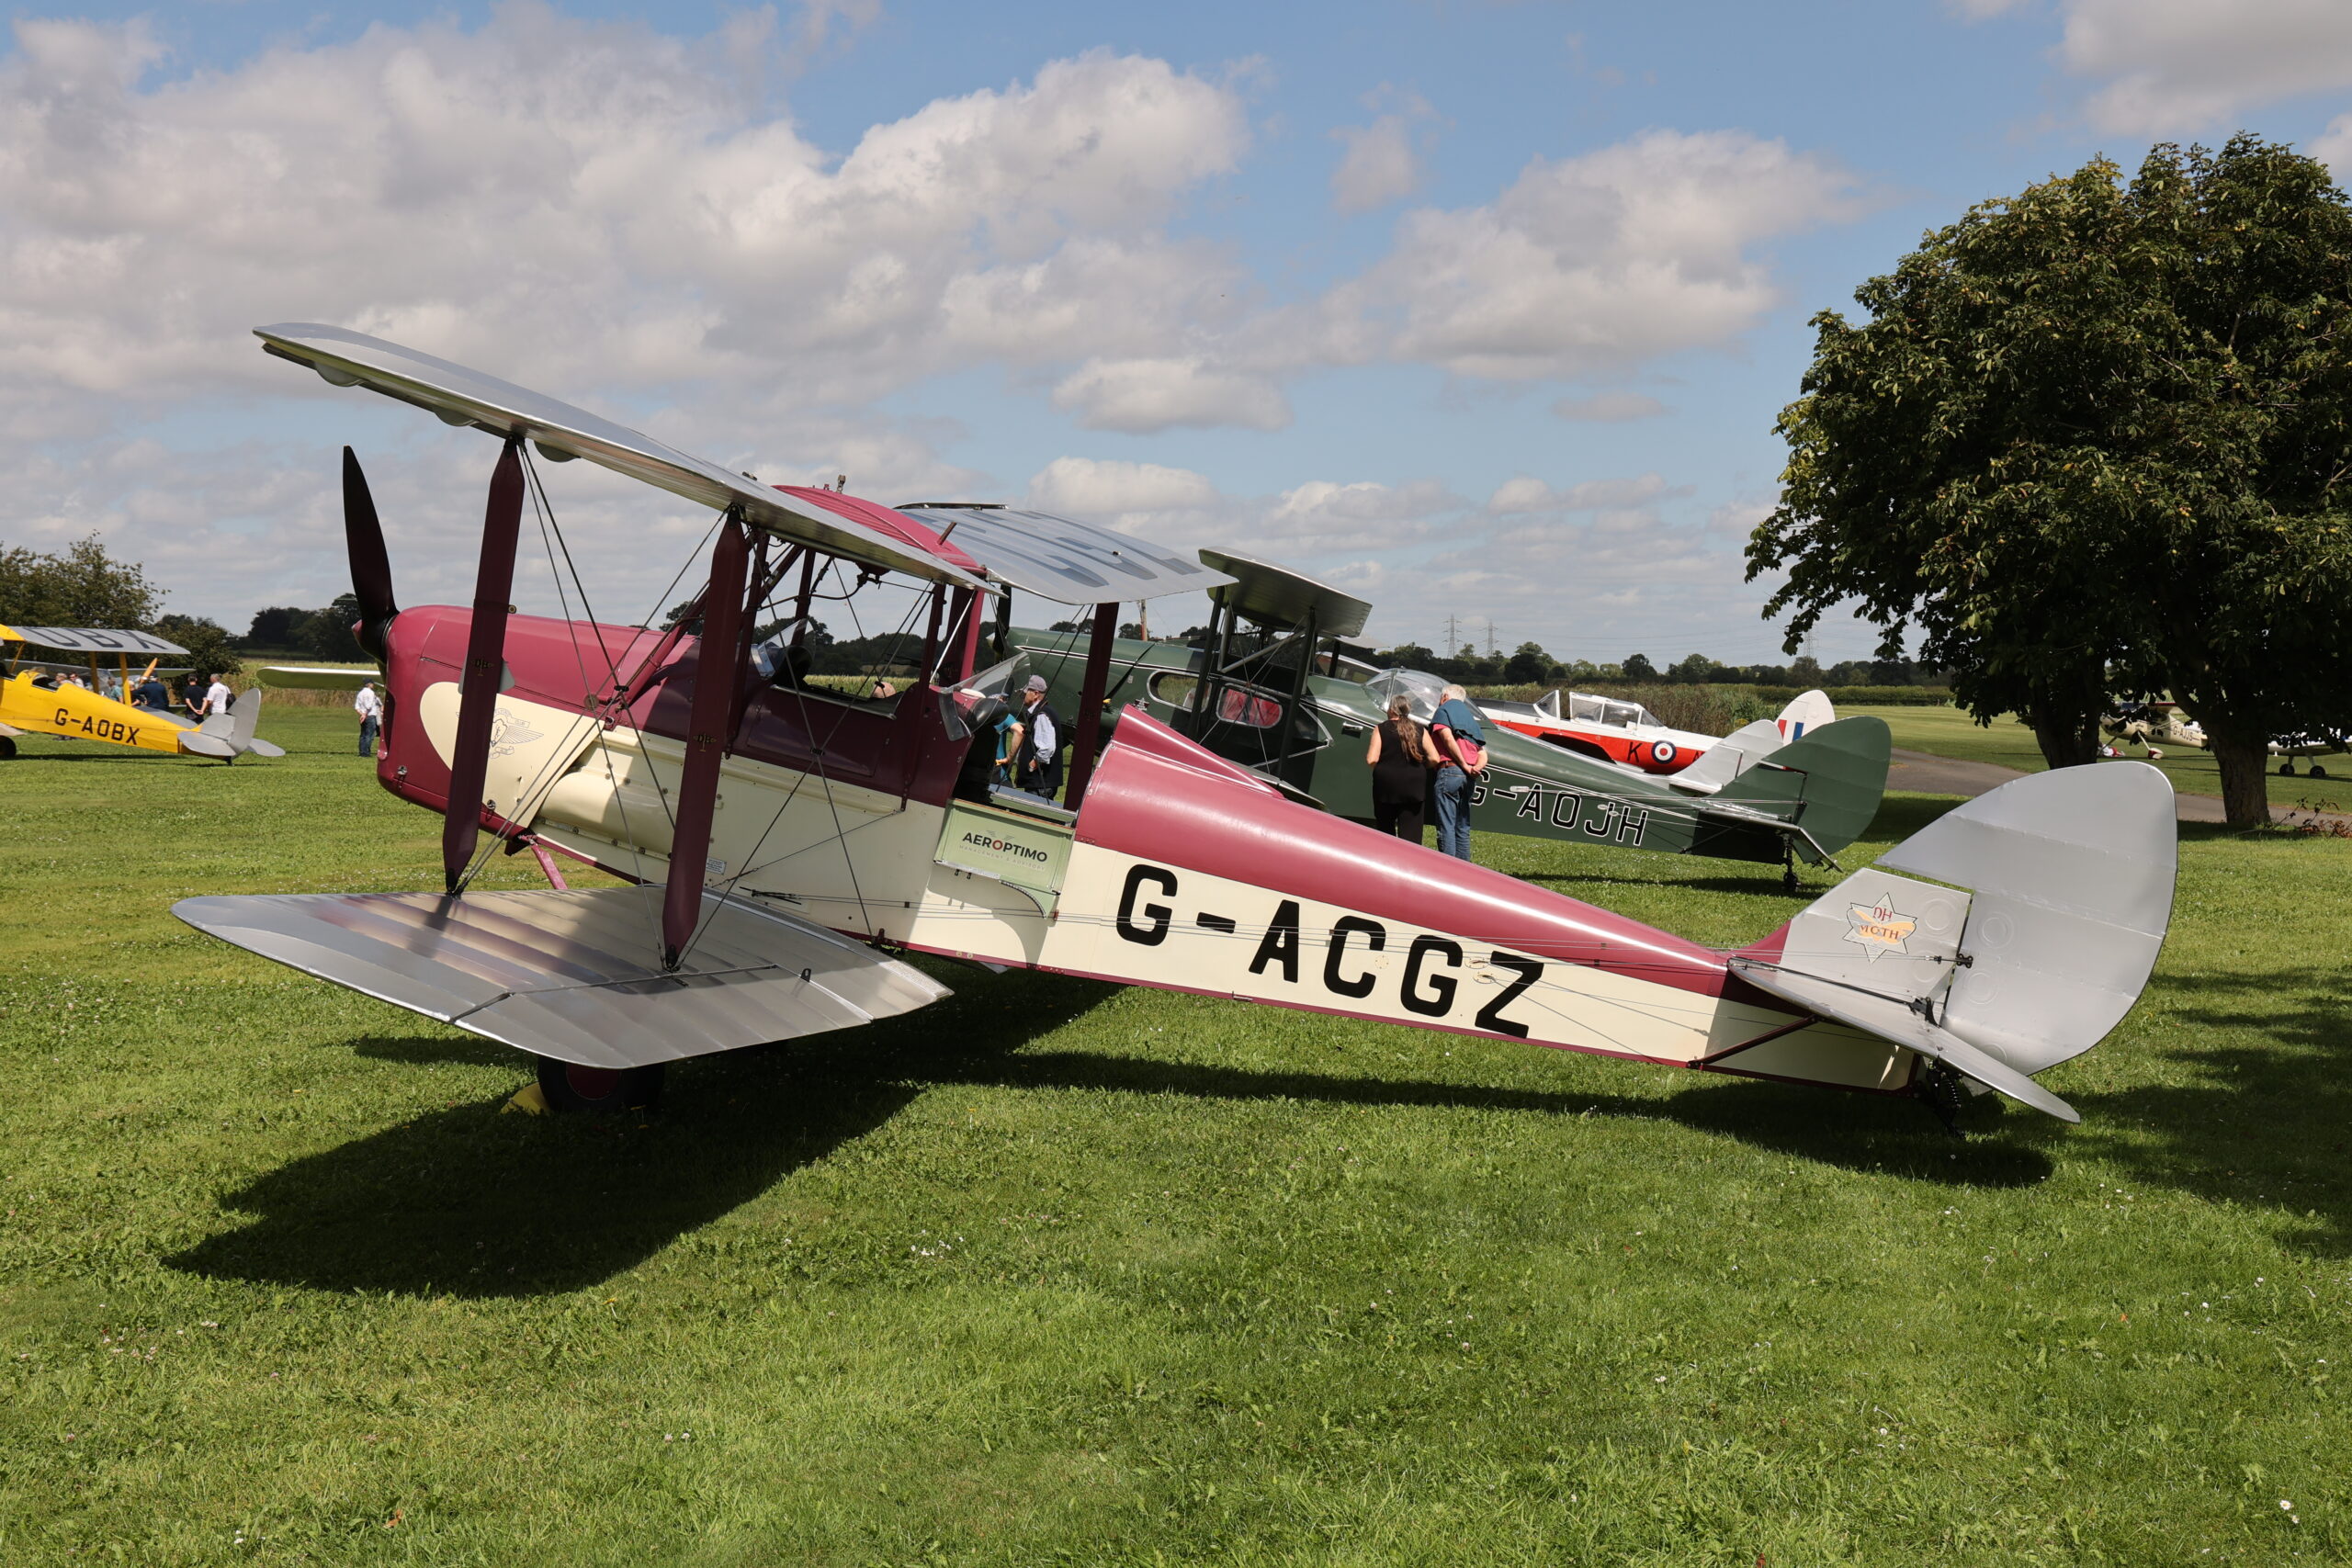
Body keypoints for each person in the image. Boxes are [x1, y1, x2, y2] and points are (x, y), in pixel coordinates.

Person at [1428, 682, 1487, 862]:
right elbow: (1483, 753)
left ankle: (1448, 870)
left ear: (1445, 697)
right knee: (1462, 826)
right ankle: (1465, 870)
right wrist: (1475, 767)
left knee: (1446, 825)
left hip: (1450, 770)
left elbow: (1446, 738)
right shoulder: (1470, 720)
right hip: (1468, 777)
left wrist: (1462, 763)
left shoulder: (1443, 711)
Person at [1364, 693, 1434, 841]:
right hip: (1414, 786)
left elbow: (1372, 759)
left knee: (1385, 829)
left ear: (1391, 710)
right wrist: (1421, 766)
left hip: (1386, 787)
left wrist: (1385, 769)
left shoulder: (1381, 729)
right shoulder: (1420, 729)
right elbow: (1434, 758)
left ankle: (1387, 858)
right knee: (1411, 834)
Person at [1013, 674, 1064, 797]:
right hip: (1039, 785)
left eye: (1025, 693)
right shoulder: (1043, 712)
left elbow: (1047, 748)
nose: (1022, 696)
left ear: (1036, 694)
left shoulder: (1042, 715)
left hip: (1039, 785)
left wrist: (1031, 766)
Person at [354, 680, 382, 756]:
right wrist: (365, 714)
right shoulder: (371, 693)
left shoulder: (360, 693)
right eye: (372, 684)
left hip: (363, 716)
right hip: (370, 715)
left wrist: (362, 714)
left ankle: (361, 751)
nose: (373, 685)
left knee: (363, 734)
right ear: (369, 684)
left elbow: (356, 706)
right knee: (369, 735)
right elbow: (369, 706)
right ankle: (366, 752)